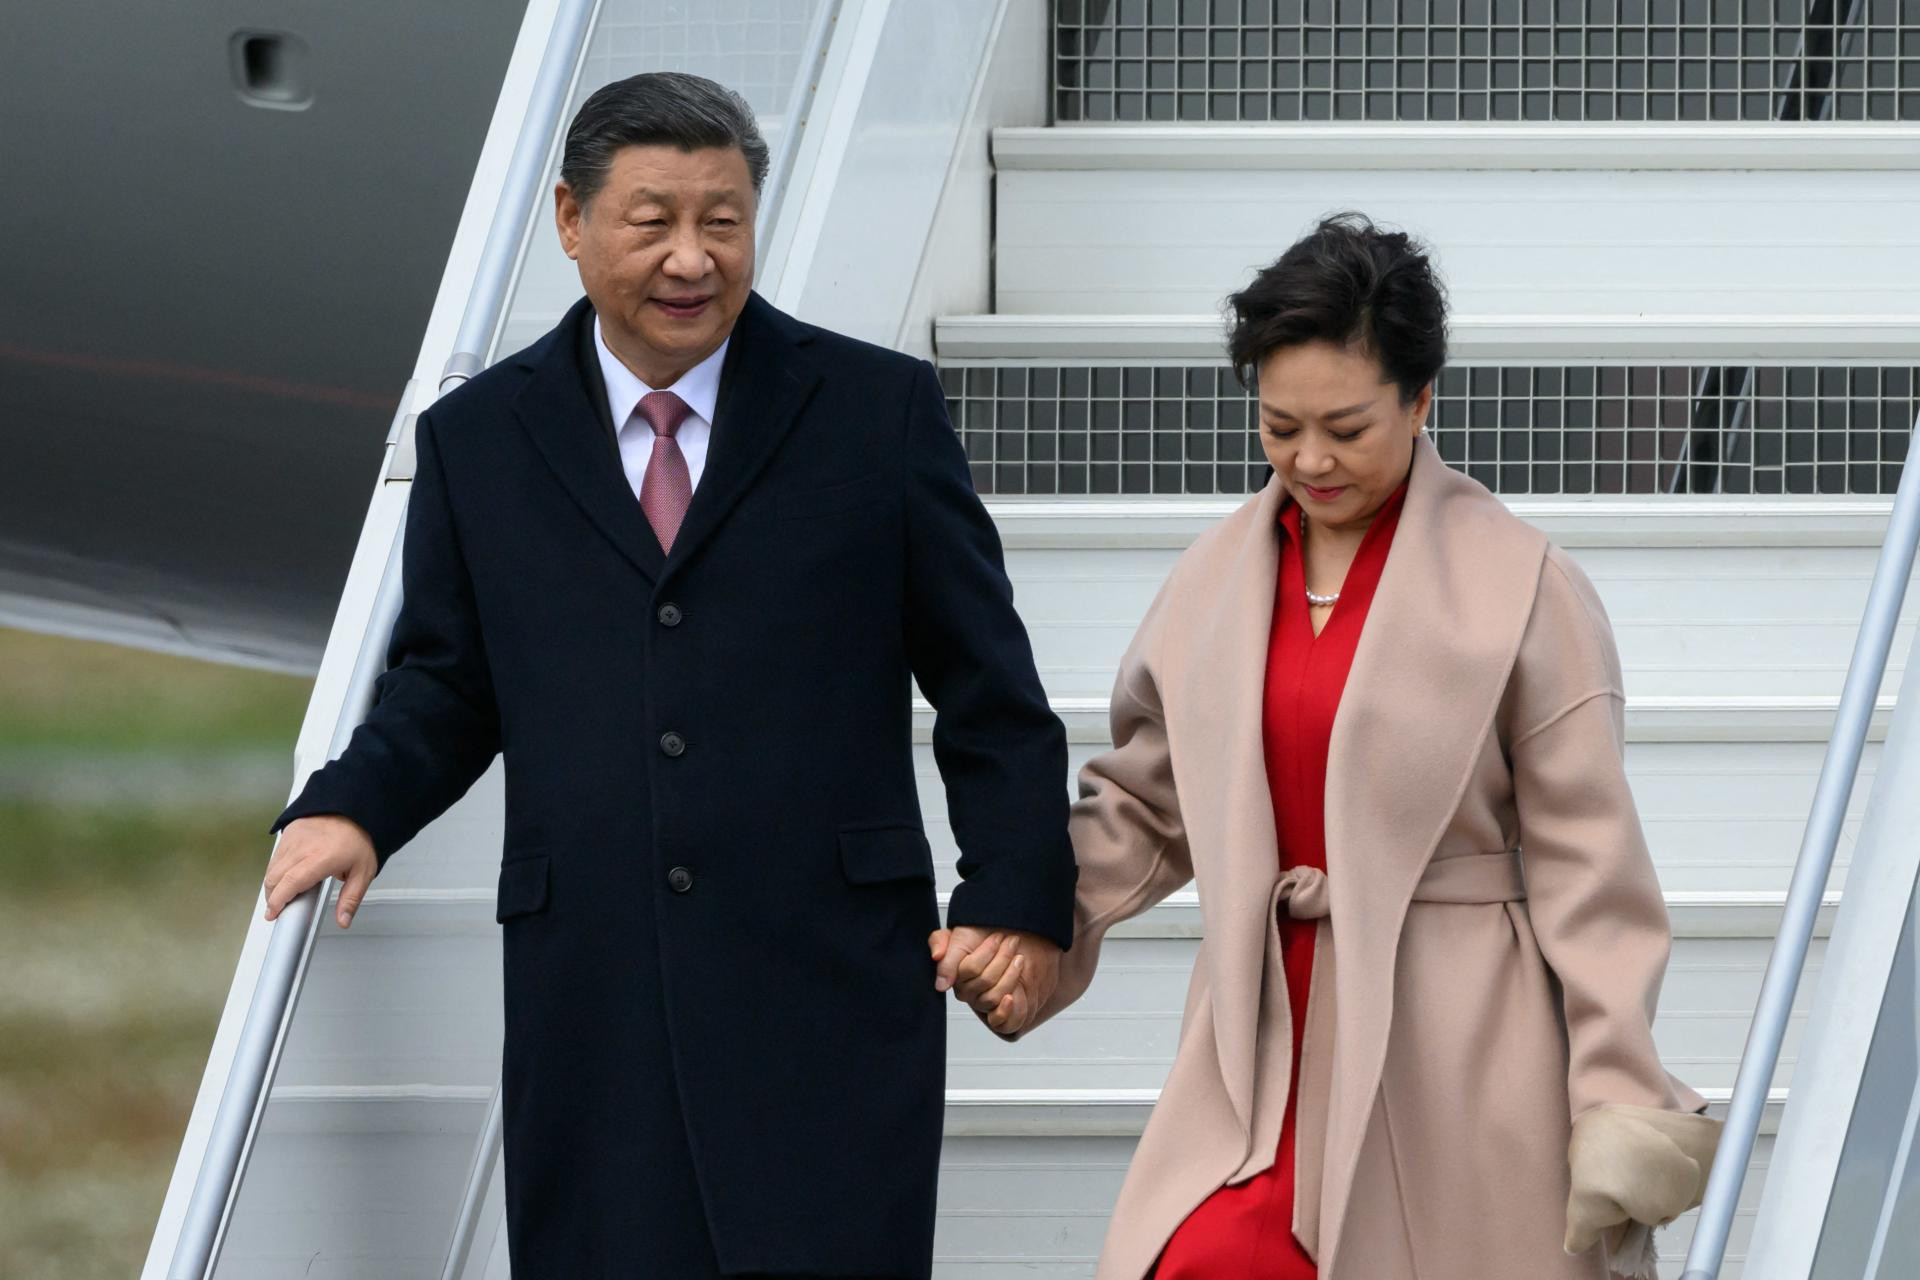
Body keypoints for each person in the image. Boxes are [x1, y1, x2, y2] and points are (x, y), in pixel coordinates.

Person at [260, 71, 1072, 1279]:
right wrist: (354, 803)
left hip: (828, 987)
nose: (693, 259)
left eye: (723, 221)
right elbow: (449, 680)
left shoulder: (874, 409)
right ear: (571, 219)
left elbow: (988, 684)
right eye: (653, 222)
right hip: (596, 998)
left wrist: (1016, 894)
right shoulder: (478, 440)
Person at [940, 213, 1720, 1280]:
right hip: (1259, 1029)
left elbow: (1593, 866)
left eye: (1347, 428)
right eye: (1279, 426)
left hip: (1456, 1045)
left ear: (1422, 398)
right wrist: (1030, 924)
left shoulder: (1523, 585)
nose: (1310, 459)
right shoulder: (1213, 581)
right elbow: (1146, 804)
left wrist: (1615, 1089)